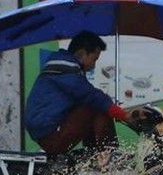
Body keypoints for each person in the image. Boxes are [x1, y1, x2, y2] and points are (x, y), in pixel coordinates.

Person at [24, 31, 133, 163]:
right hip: (51, 134)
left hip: (50, 130)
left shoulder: (65, 69)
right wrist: (124, 115)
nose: (94, 65)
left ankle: (97, 155)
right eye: (94, 59)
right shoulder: (64, 69)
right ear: (82, 54)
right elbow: (91, 96)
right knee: (97, 106)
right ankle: (108, 157)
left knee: (96, 107)